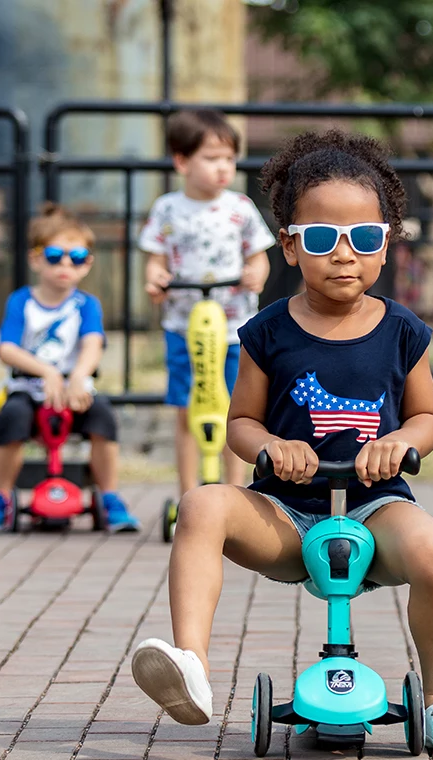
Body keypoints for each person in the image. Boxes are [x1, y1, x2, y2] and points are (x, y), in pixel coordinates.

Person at [130, 130, 433, 757]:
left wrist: (401, 441)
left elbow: (428, 416)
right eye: (322, 239)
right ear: (291, 248)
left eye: (364, 238)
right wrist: (270, 445)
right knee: (202, 505)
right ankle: (190, 663)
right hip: (287, 512)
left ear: (387, 245)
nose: (344, 254)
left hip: (375, 507)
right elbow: (241, 421)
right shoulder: (266, 332)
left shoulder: (402, 329)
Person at [0, 203, 140, 534]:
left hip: (74, 392)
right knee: (13, 417)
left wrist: (78, 376)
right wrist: (46, 372)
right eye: (54, 255)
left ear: (87, 264)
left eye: (76, 257)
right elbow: (6, 348)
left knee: (103, 416)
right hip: (30, 392)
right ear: (36, 259)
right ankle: (1, 497)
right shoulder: (22, 302)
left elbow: (93, 344)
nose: (65, 264)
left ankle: (109, 496)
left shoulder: (86, 305)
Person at [139, 109, 275, 493]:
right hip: (184, 327)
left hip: (233, 329)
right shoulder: (168, 208)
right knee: (188, 411)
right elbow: (155, 259)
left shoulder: (239, 208)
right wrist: (156, 280)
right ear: (182, 161)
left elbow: (258, 255)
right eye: (211, 158)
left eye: (229, 159)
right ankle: (188, 492)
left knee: (235, 411)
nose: (223, 168)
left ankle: (234, 493)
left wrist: (256, 274)